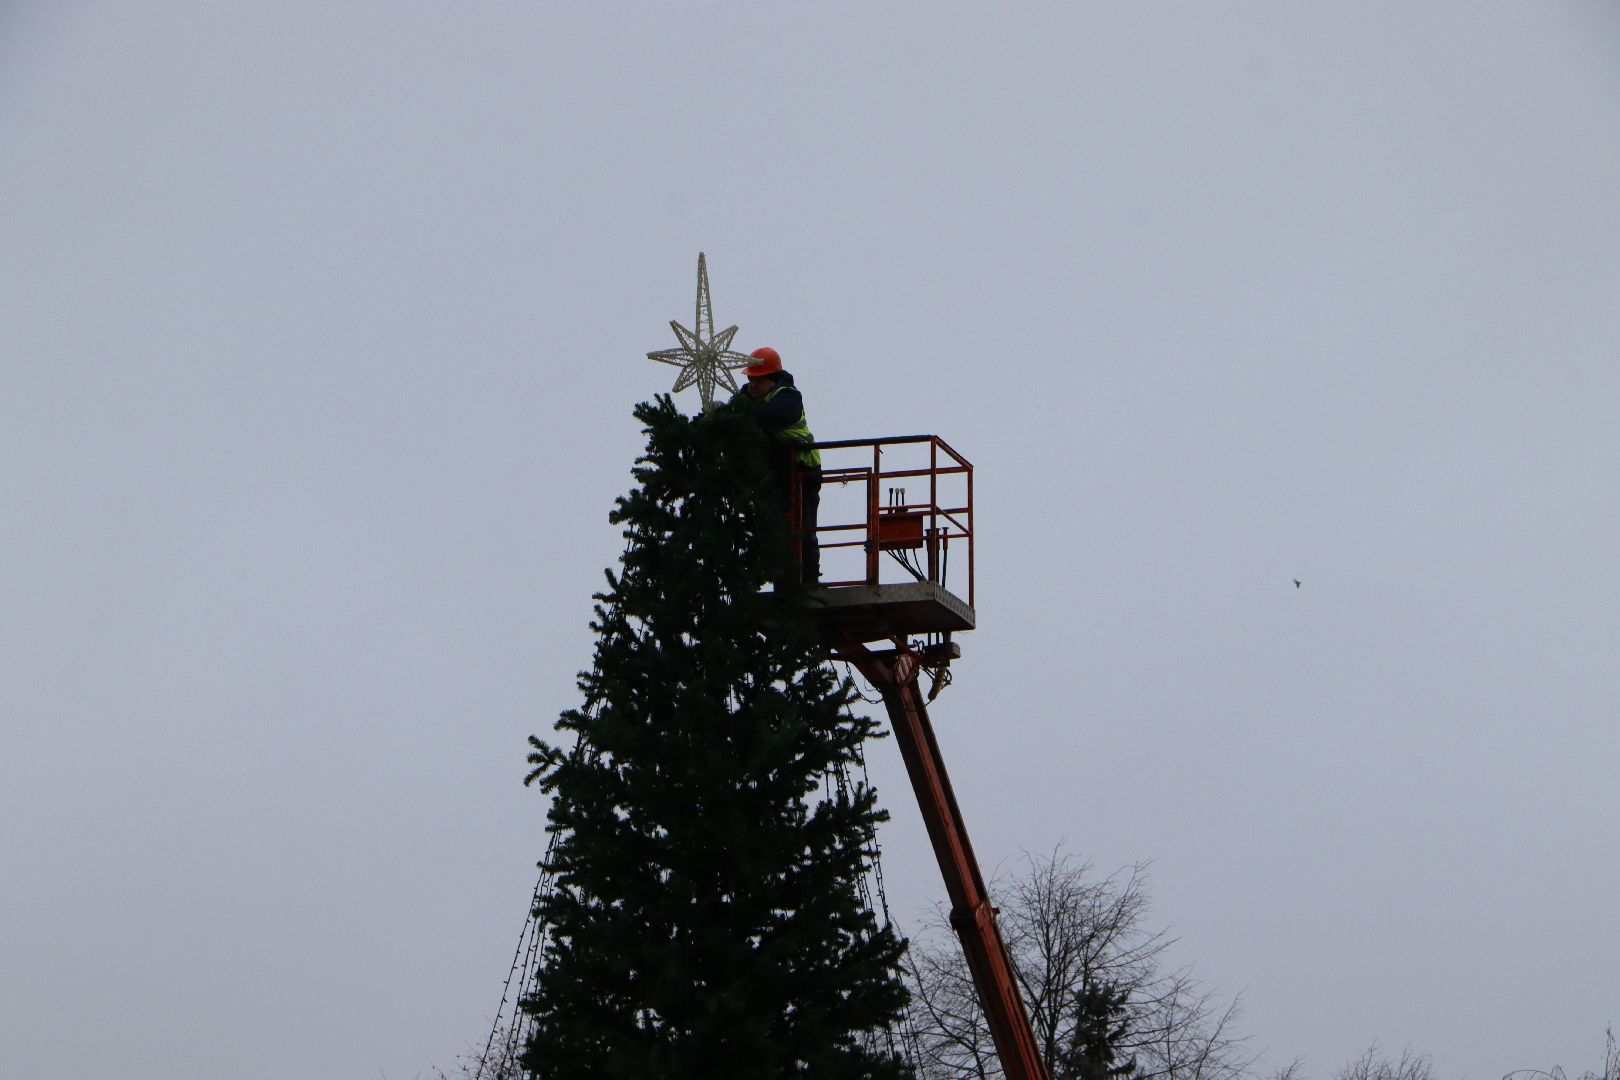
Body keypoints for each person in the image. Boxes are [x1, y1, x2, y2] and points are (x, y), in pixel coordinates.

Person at [733, 346, 822, 585]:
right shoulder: (750, 399)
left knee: (802, 529)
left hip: (804, 471)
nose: (752, 385)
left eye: (757, 380)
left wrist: (741, 413)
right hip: (777, 473)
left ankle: (809, 582)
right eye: (750, 378)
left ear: (771, 380)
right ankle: (784, 582)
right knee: (777, 529)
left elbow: (771, 416)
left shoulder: (788, 397)